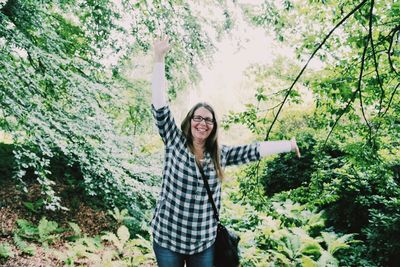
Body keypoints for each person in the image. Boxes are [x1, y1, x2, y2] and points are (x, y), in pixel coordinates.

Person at [150, 36, 301, 267]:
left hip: (203, 244)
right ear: (189, 121)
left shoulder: (221, 155)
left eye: (208, 120)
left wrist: (287, 145)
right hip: (167, 239)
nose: (202, 123)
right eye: (197, 117)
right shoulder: (174, 141)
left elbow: (254, 150)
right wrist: (159, 58)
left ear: (214, 126)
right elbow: (160, 106)